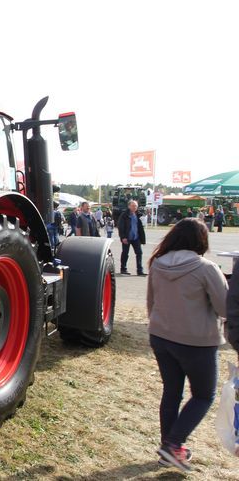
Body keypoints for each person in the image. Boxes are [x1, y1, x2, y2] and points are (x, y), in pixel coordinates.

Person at [146, 218, 228, 471]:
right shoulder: (206, 268)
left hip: (161, 336)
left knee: (172, 391)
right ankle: (173, 444)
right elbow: (225, 307)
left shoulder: (158, 263)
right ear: (201, 241)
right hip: (196, 341)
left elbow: (151, 302)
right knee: (203, 395)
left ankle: (169, 448)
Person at [117, 200, 146, 275]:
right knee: (125, 253)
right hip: (127, 237)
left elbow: (140, 228)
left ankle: (140, 270)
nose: (135, 207)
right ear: (129, 206)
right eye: (133, 206)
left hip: (136, 238)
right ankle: (123, 269)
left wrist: (142, 239)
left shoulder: (138, 215)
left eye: (136, 206)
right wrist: (123, 237)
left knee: (139, 253)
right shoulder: (124, 215)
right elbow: (121, 226)